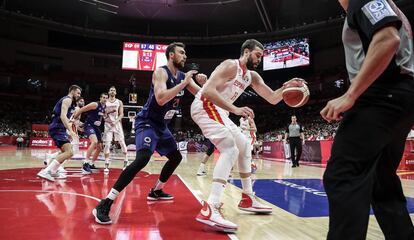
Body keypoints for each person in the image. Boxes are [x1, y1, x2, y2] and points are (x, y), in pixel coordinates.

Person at [320, 0, 414, 239]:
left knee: (342, 176)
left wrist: (351, 94)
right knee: (382, 183)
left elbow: (388, 39)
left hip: (382, 95)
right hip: (401, 96)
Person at [191, 39, 305, 232]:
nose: (259, 59)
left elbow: (272, 98)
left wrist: (287, 86)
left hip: (220, 111)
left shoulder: (251, 76)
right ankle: (211, 206)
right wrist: (235, 109)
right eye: (257, 55)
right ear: (246, 52)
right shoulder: (230, 65)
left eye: (261, 56)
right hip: (205, 106)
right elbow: (208, 91)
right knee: (230, 147)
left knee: (244, 145)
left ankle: (247, 198)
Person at [92, 42, 206, 225]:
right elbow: (160, 99)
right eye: (181, 53)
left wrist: (204, 84)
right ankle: (105, 203)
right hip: (147, 122)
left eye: (185, 53)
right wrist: (184, 84)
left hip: (162, 126)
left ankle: (156, 190)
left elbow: (203, 95)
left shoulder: (184, 76)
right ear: (171, 55)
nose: (185, 56)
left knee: (175, 157)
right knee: (142, 158)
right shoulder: (161, 73)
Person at [37, 85, 82, 181]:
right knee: (70, 152)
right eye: (78, 93)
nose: (79, 95)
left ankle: (53, 170)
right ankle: (47, 171)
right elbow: (63, 116)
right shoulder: (68, 100)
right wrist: (70, 130)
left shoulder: (69, 102)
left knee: (64, 152)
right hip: (57, 128)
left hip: (58, 128)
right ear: (72, 91)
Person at [73, 93, 108, 174]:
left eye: (106, 98)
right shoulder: (95, 104)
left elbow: (103, 114)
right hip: (89, 125)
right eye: (103, 97)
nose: (105, 99)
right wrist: (74, 119)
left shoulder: (104, 107)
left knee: (100, 147)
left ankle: (91, 163)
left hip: (96, 128)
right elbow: (82, 109)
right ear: (100, 98)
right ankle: (85, 163)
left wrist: (109, 113)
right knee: (94, 142)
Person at [103, 86, 128, 174]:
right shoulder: (105, 101)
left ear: (116, 93)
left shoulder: (119, 102)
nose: (112, 91)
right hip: (107, 125)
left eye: (114, 90)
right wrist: (106, 118)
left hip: (117, 124)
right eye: (111, 90)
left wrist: (116, 121)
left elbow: (121, 114)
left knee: (122, 142)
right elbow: (103, 113)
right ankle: (106, 163)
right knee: (107, 144)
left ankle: (126, 161)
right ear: (109, 92)